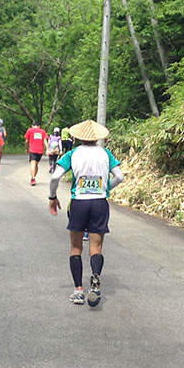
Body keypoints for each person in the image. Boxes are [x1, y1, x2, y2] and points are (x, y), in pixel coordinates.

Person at [48, 119, 124, 307]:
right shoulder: (106, 154)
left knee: (76, 247)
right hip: (99, 203)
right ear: (97, 138)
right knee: (96, 247)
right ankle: (95, 284)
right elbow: (120, 177)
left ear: (77, 136)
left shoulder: (72, 154)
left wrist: (52, 196)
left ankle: (78, 291)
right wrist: (106, 189)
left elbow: (55, 176)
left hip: (79, 202)